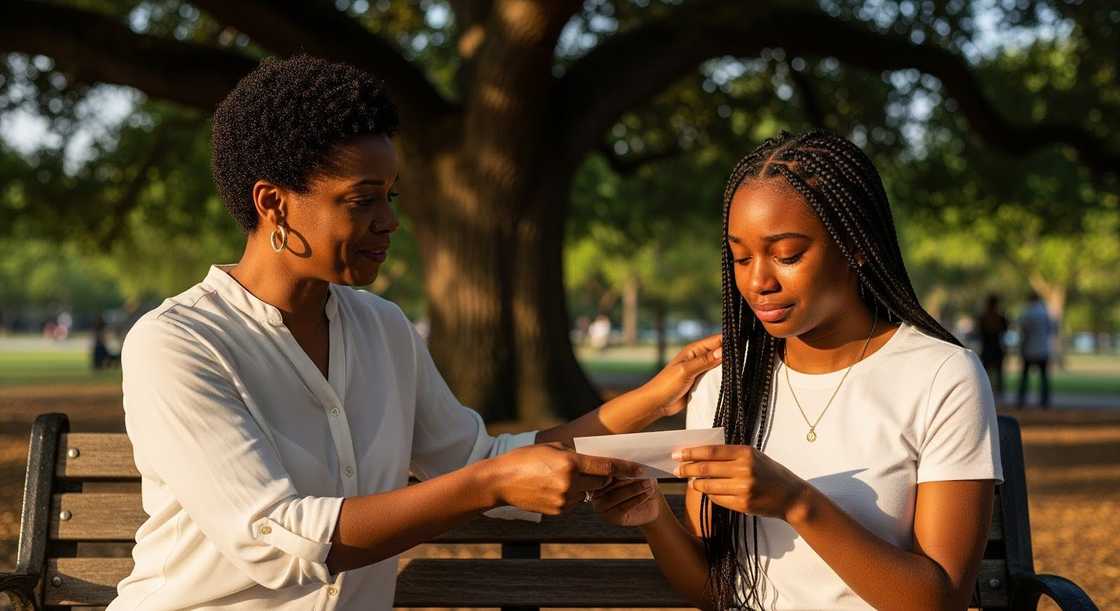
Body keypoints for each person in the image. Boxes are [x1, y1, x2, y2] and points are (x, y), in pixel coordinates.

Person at [107, 55, 722, 611]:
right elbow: (276, 537)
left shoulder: (382, 327)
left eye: (390, 197)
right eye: (362, 200)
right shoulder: (179, 344)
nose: (390, 221)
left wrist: (656, 397)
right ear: (273, 203)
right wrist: (488, 484)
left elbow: (481, 462)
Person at [590, 131, 1002, 610]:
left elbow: (941, 601)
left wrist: (796, 503)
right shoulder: (726, 384)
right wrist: (653, 517)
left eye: (787, 255)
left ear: (856, 246)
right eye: (741, 257)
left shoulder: (941, 376)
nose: (758, 281)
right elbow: (716, 591)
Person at [1017, 292, 1053, 409]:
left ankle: (1021, 400)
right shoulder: (1045, 313)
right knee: (1043, 377)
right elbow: (1050, 330)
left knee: (1025, 376)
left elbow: (1023, 331)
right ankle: (1044, 401)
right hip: (1043, 349)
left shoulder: (1027, 313)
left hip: (1029, 348)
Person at [976, 294, 1009, 401]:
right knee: (998, 374)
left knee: (987, 374)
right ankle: (999, 395)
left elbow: (979, 333)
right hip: (996, 348)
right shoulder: (1000, 318)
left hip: (988, 348)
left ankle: (986, 394)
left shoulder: (983, 318)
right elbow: (1005, 330)